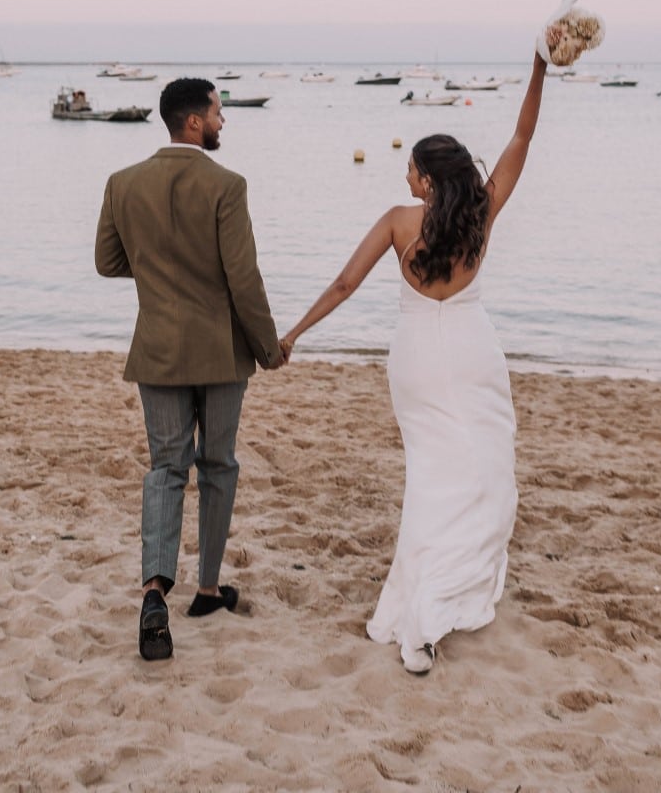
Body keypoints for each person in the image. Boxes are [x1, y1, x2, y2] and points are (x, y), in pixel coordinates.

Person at [280, 52, 548, 674]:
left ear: (427, 178)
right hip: (474, 351)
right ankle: (435, 609)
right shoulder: (480, 214)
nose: (404, 173)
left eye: (410, 166)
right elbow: (523, 135)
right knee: (485, 474)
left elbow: (345, 284)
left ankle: (419, 616)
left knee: (431, 477)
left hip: (417, 361)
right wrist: (539, 67)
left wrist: (294, 333)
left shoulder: (399, 223)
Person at [95, 77, 284, 662]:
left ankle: (154, 592)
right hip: (221, 353)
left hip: (157, 349)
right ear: (195, 122)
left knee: (165, 469)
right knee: (218, 464)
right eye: (219, 112)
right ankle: (206, 589)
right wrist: (269, 345)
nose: (224, 122)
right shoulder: (227, 185)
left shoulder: (122, 183)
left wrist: (159, 274)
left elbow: (107, 262)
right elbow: (243, 278)